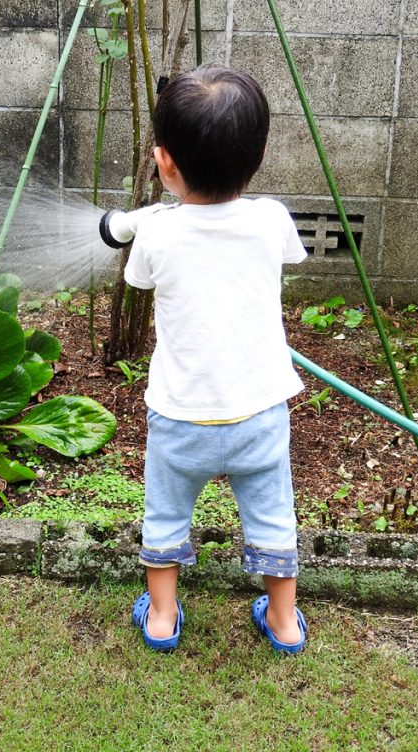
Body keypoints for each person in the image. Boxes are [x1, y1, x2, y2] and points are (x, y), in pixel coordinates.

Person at [123, 64, 309, 654]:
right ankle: (282, 621)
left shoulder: (155, 234)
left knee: (166, 513)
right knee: (273, 512)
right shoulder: (271, 218)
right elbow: (282, 252)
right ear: (256, 158)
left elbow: (140, 277)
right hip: (257, 412)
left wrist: (162, 218)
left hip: (181, 418)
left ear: (164, 162)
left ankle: (160, 616)